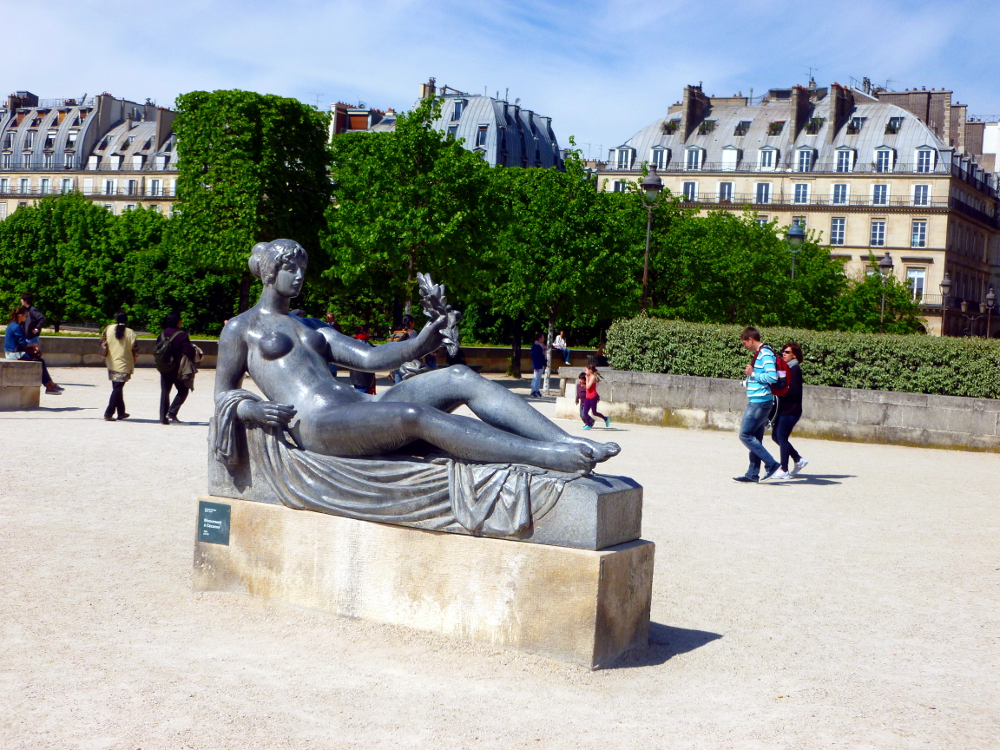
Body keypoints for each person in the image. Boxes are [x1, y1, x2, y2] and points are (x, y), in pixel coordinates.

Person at [215, 239, 620, 473]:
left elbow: (373, 358)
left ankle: (564, 440)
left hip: (361, 406)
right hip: (317, 423)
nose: (299, 275)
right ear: (270, 272)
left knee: (460, 376)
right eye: (291, 268)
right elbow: (222, 394)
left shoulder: (312, 327)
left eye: (302, 267)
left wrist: (426, 340)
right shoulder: (241, 328)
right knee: (414, 418)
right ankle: (550, 457)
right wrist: (250, 411)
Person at [734, 327, 784, 483]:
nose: (745, 347)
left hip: (760, 402)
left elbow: (771, 377)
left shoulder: (765, 354)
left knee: (745, 435)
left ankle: (772, 464)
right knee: (755, 437)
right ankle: (752, 473)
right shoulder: (763, 353)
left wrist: (753, 374)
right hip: (761, 400)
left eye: (744, 343)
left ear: (750, 340)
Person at [5, 307, 62, 394]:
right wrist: (33, 345)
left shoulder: (11, 325)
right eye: (25, 316)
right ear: (20, 316)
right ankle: (49, 386)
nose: (26, 318)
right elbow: (23, 343)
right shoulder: (17, 327)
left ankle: (50, 385)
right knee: (40, 361)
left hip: (11, 352)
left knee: (39, 360)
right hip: (15, 354)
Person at [772, 342, 808, 477]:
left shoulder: (795, 369)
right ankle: (798, 459)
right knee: (776, 436)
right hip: (784, 409)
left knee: (781, 437)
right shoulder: (786, 368)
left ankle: (784, 470)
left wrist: (780, 389)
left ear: (794, 355)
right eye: (783, 351)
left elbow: (795, 391)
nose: (784, 354)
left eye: (787, 352)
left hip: (791, 410)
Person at [158, 310, 197, 425]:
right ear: (178, 321)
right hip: (177, 369)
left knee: (165, 391)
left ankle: (162, 417)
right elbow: (188, 351)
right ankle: (172, 412)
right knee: (183, 390)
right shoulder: (182, 335)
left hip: (164, 367)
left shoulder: (161, 334)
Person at [101, 311, 138, 421]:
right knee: (118, 388)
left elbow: (102, 341)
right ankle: (109, 413)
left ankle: (121, 412)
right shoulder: (130, 332)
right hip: (124, 363)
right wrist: (135, 357)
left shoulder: (108, 329)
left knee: (117, 387)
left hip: (111, 362)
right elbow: (135, 347)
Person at [349, 325, 377, 394]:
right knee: (364, 399)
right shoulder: (367, 344)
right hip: (364, 376)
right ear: (364, 333)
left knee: (359, 395)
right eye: (369, 332)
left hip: (354, 376)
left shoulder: (352, 343)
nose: (369, 334)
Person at [581, 364, 609, 430]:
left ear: (590, 371)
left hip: (593, 397)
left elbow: (588, 386)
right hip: (588, 397)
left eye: (586, 370)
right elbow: (588, 387)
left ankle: (606, 418)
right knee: (585, 412)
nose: (585, 372)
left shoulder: (592, 377)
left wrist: (587, 379)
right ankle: (588, 424)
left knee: (594, 412)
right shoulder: (589, 376)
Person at [389, 315, 416, 383]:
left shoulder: (397, 333)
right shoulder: (413, 333)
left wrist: (391, 370)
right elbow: (414, 349)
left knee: (398, 389)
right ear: (410, 322)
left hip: (396, 365)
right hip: (407, 365)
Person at [530, 333, 546, 398]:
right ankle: (533, 391)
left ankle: (537, 390)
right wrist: (536, 365)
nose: (543, 339)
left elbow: (543, 356)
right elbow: (534, 356)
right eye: (542, 337)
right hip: (537, 364)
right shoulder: (536, 346)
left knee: (539, 378)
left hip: (541, 363)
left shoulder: (541, 345)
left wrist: (544, 364)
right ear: (539, 338)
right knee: (536, 378)